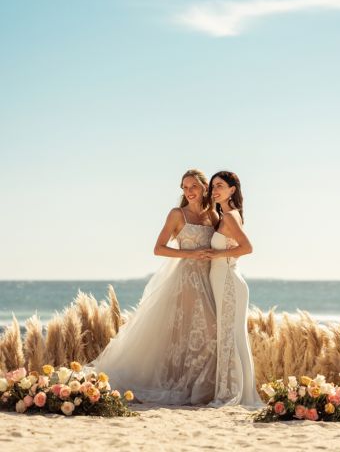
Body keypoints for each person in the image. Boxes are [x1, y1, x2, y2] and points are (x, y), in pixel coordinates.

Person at [88, 169, 218, 405]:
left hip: (207, 281)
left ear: (204, 188)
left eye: (194, 187)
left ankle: (197, 389)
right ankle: (183, 387)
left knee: (199, 335)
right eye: (185, 187)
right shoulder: (177, 214)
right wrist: (190, 253)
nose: (189, 192)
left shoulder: (213, 216)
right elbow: (158, 248)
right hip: (186, 281)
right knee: (204, 331)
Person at [204, 171, 263, 407]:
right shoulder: (224, 216)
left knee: (232, 336)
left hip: (229, 281)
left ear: (232, 190)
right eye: (212, 186)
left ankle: (237, 395)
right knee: (231, 336)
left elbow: (247, 247)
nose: (214, 190)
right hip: (223, 280)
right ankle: (240, 393)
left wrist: (218, 254)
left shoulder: (229, 217)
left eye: (219, 185)